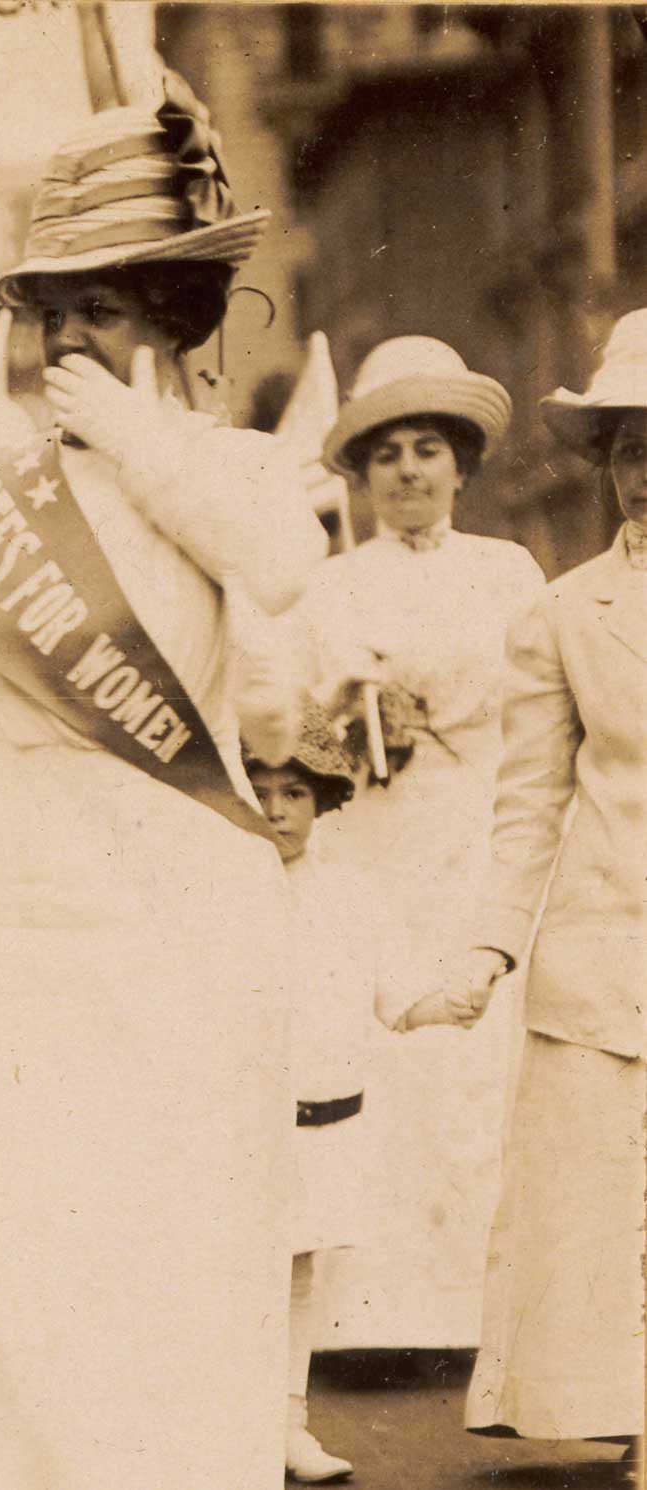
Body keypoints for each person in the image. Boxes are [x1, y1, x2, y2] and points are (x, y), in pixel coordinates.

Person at [0, 77, 326, 1489]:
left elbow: (283, 569)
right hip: (29, 897)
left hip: (186, 896)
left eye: (98, 308)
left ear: (167, 315)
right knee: (28, 1238)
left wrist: (139, 436)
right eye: (51, 311)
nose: (65, 338)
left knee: (181, 1233)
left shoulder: (221, 466)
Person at [397, 308, 647, 1456]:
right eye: (626, 444)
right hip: (601, 952)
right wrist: (486, 951)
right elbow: (528, 806)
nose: (642, 470)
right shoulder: (561, 613)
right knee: (600, 1218)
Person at [295, 335, 548, 1350]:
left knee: (483, 1060)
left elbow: (543, 709)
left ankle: (485, 1309)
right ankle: (376, 1314)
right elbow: (298, 730)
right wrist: (350, 714)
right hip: (374, 839)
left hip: (481, 830)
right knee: (387, 1048)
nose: (406, 471)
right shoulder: (328, 585)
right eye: (386, 452)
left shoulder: (510, 570)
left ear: (460, 464)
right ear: (359, 471)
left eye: (426, 450)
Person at [245, 709, 389, 1484]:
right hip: (234, 1121)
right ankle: (218, 1423)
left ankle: (286, 1423)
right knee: (232, 1269)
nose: (275, 810)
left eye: (294, 792)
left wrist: (449, 993)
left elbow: (386, 990)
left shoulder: (346, 891)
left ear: (323, 800)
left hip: (315, 1115)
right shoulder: (219, 886)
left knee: (298, 1268)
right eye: (259, 790)